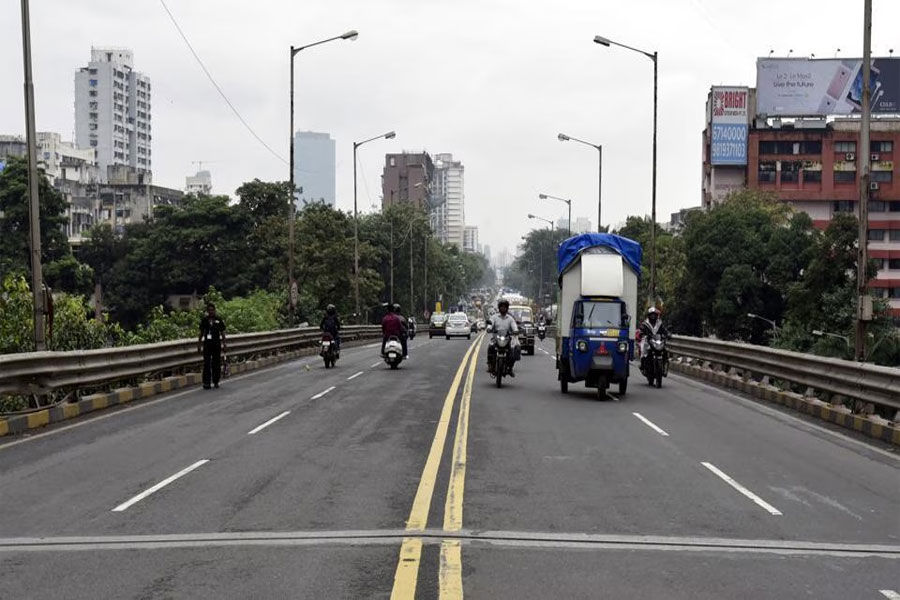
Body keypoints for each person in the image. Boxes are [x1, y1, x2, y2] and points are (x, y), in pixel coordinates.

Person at [487, 298, 520, 377]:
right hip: (496, 339)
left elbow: (514, 326)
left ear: (507, 308)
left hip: (507, 339)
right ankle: (490, 366)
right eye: (502, 306)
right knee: (490, 347)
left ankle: (510, 368)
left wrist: (515, 331)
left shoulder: (510, 319)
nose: (503, 308)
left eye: (505, 307)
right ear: (499, 308)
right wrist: (489, 328)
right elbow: (490, 324)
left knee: (513, 351)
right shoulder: (494, 317)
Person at [198, 302, 226, 389]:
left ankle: (216, 381)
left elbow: (222, 333)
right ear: (207, 311)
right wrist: (199, 344)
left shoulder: (218, 320)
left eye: (212, 310)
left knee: (216, 364)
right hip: (207, 345)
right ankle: (206, 382)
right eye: (209, 310)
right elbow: (201, 333)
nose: (211, 312)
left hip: (216, 344)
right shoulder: (204, 320)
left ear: (215, 310)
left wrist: (224, 344)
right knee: (206, 364)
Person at [639, 307, 669, 371]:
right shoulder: (645, 323)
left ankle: (665, 364)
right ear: (649, 315)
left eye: (654, 315)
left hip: (657, 340)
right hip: (648, 340)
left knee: (665, 350)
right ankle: (642, 364)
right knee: (643, 349)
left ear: (656, 315)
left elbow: (664, 330)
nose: (653, 316)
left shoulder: (659, 323)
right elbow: (641, 329)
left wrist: (667, 334)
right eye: (651, 315)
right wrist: (642, 333)